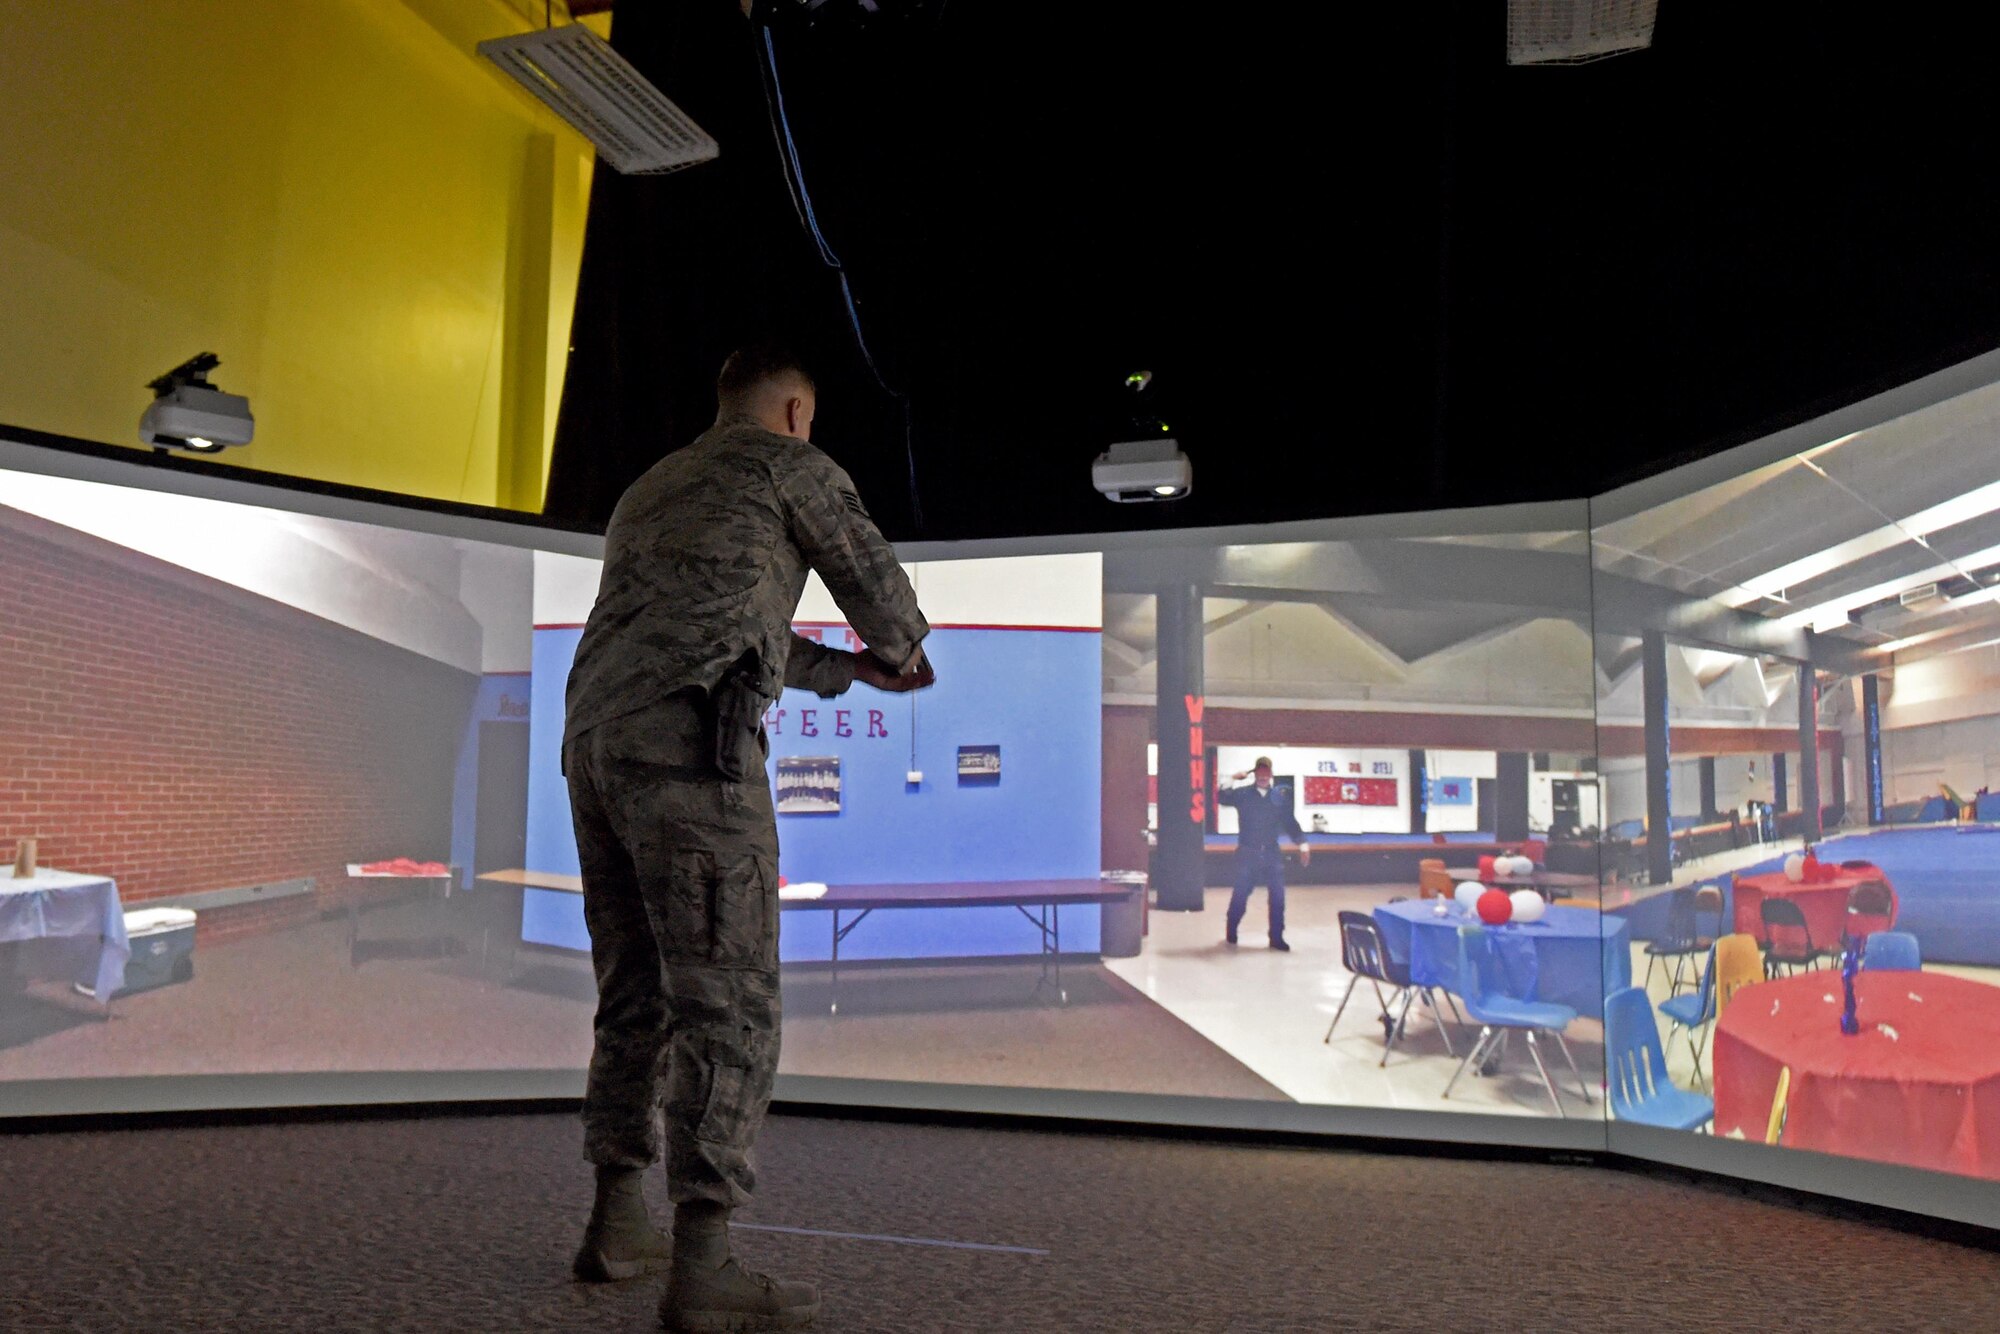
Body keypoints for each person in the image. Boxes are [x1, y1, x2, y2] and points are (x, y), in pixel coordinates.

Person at [562, 345, 932, 1331]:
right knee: (728, 1001)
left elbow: (735, 626)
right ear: (796, 408)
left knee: (633, 987)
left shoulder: (654, 485)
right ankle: (702, 1264)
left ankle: (615, 1221)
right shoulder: (789, 465)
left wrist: (843, 674)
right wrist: (898, 654)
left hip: (596, 748)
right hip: (691, 754)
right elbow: (878, 592)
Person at [1216, 757, 1310, 951]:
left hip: (1271, 854)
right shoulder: (1243, 795)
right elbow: (1222, 797)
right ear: (1255, 774)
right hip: (1247, 853)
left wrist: (1302, 844)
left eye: (1266, 773)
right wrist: (1232, 778)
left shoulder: (1279, 798)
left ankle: (1276, 937)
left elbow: (1290, 822)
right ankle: (1231, 929)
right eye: (1259, 773)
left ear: (1271, 774)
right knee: (1240, 895)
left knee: (1277, 897)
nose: (1263, 776)